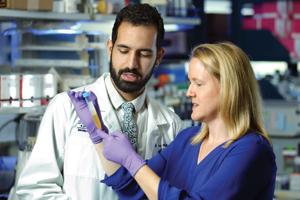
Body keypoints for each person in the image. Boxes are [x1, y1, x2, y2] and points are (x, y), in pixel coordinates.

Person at [16, 3, 183, 200]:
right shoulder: (65, 107)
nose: (132, 64)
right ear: (110, 48)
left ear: (159, 57)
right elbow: (35, 189)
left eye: (144, 54)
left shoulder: (171, 125)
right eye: (123, 50)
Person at [71, 42, 277, 200]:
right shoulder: (188, 140)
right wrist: (97, 136)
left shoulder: (252, 150)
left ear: (229, 90)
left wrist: (132, 160)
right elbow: (135, 187)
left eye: (198, 83)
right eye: (190, 82)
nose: (189, 92)